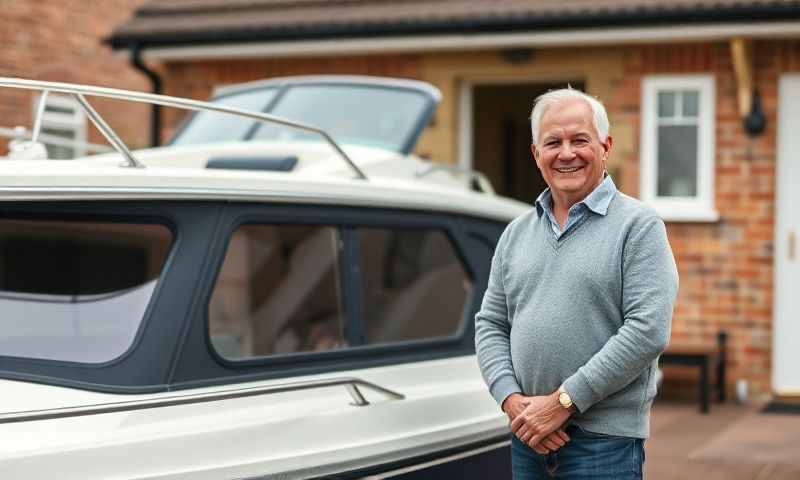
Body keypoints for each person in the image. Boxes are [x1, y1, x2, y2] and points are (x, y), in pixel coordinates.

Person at [475, 88, 678, 479]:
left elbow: (647, 330)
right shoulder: (516, 233)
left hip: (603, 443)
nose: (566, 153)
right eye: (553, 142)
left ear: (605, 146)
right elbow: (490, 324)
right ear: (537, 155)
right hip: (528, 436)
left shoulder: (638, 227)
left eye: (579, 140)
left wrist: (562, 403)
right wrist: (512, 400)